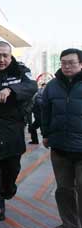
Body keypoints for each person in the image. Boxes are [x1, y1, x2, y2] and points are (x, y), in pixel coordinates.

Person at [0, 41, 37, 226]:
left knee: (11, 169)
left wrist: (11, 89)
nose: (1, 59)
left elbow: (32, 86)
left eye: (5, 55)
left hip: (12, 130)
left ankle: (8, 189)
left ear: (11, 56)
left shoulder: (19, 70)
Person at [42, 48, 82, 228]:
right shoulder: (52, 85)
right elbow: (45, 111)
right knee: (64, 190)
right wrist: (46, 134)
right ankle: (69, 224)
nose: (66, 66)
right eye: (63, 62)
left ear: (81, 63)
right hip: (60, 148)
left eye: (71, 62)